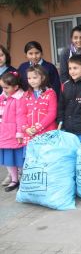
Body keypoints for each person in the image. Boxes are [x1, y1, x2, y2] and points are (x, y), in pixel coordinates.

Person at [0, 72, 27, 192]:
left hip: (14, 134)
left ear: (15, 87)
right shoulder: (3, 97)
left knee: (18, 158)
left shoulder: (19, 98)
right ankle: (14, 180)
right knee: (8, 159)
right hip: (3, 133)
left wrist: (20, 133)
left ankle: (24, 179)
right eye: (2, 87)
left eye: (6, 87)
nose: (4, 90)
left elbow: (20, 117)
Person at [22, 65, 58, 145]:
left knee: (46, 156)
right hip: (30, 134)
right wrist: (26, 128)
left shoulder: (50, 93)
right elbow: (23, 114)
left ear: (43, 78)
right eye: (29, 78)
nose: (32, 81)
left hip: (47, 132)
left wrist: (38, 128)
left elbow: (52, 113)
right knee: (32, 157)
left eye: (35, 78)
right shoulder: (26, 95)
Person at [0, 45, 16, 187]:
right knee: (2, 144)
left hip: (10, 110)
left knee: (11, 144)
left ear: (6, 56)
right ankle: (9, 172)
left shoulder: (13, 72)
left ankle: (13, 175)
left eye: (1, 55)